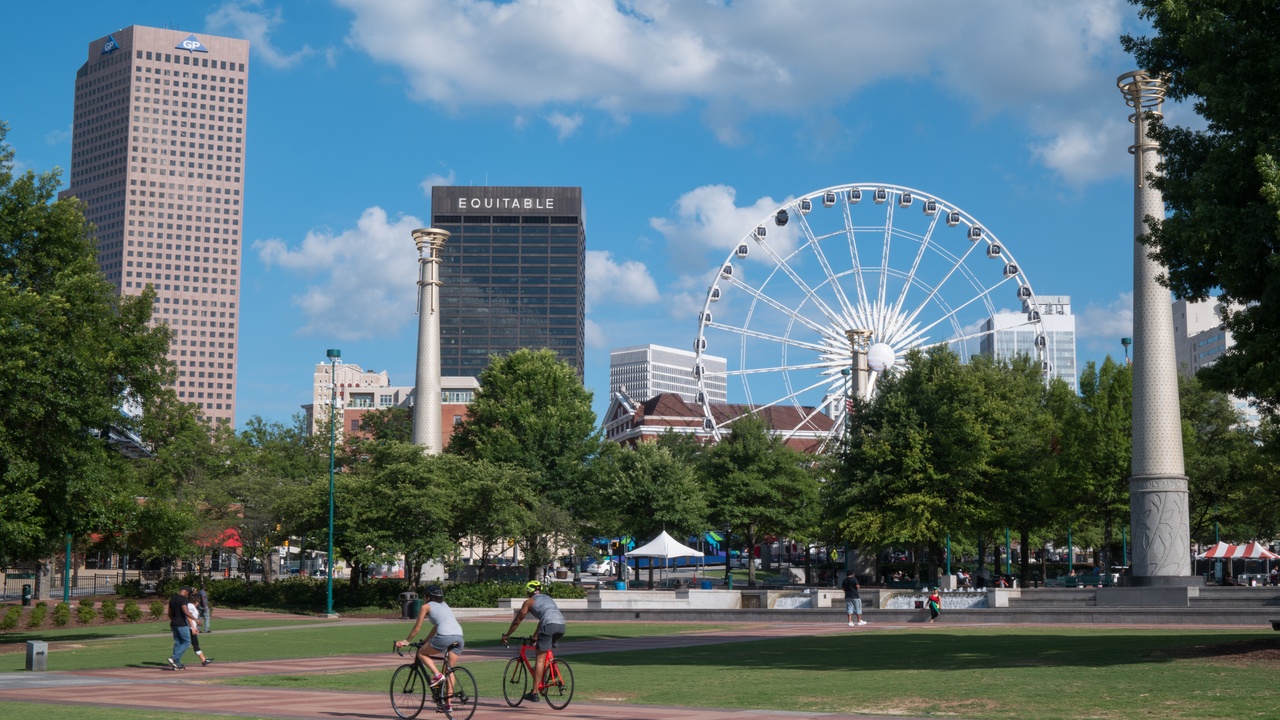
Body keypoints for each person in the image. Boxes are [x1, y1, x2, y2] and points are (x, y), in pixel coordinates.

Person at [395, 584, 464, 711]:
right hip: (459, 637)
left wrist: (406, 641)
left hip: (445, 636)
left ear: (428, 597)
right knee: (449, 670)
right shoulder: (445, 605)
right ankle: (448, 705)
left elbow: (417, 627)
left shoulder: (425, 606)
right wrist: (426, 641)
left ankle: (437, 675)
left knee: (421, 653)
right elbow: (437, 626)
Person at [502, 580, 566, 703]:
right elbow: (545, 618)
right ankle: (552, 670)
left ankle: (534, 692)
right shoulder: (547, 598)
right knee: (546, 652)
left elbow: (517, 621)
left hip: (549, 625)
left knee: (539, 659)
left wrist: (507, 635)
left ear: (528, 592)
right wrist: (536, 635)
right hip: (561, 625)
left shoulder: (529, 602)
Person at [167, 587, 196, 670]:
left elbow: (169, 612)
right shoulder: (183, 599)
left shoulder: (172, 599)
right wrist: (196, 619)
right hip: (182, 624)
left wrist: (173, 619)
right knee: (187, 642)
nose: (188, 595)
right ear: (185, 592)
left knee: (178, 643)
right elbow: (185, 611)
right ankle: (174, 658)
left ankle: (177, 664)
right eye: (188, 594)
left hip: (173, 623)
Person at [186, 595, 214, 666]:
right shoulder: (191, 606)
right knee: (185, 644)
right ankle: (175, 658)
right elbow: (189, 617)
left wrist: (196, 627)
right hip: (189, 628)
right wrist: (193, 628)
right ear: (196, 601)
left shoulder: (190, 606)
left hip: (191, 628)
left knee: (195, 644)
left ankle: (204, 659)